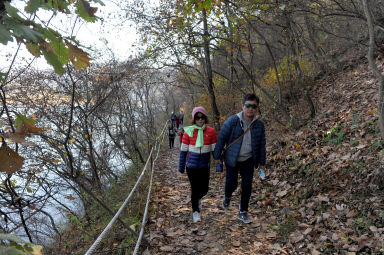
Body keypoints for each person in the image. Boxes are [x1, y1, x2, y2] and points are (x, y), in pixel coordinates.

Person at [213, 94, 266, 224]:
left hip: (249, 159)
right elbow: (221, 139)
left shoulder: (259, 125)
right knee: (232, 184)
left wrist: (262, 163)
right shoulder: (232, 121)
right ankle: (227, 197)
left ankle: (243, 212)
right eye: (248, 105)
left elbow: (261, 145)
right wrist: (217, 157)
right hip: (232, 158)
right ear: (242, 106)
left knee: (247, 185)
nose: (250, 109)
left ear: (257, 108)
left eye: (254, 106)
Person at [178, 106, 217, 223]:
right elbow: (183, 151)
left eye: (202, 117)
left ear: (205, 118)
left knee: (204, 189)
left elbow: (215, 150)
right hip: (191, 166)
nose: (200, 120)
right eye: (197, 117)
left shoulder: (211, 131)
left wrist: (219, 162)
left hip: (205, 165)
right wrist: (181, 166)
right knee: (194, 189)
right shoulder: (188, 131)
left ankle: (198, 199)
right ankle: (195, 211)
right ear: (194, 119)